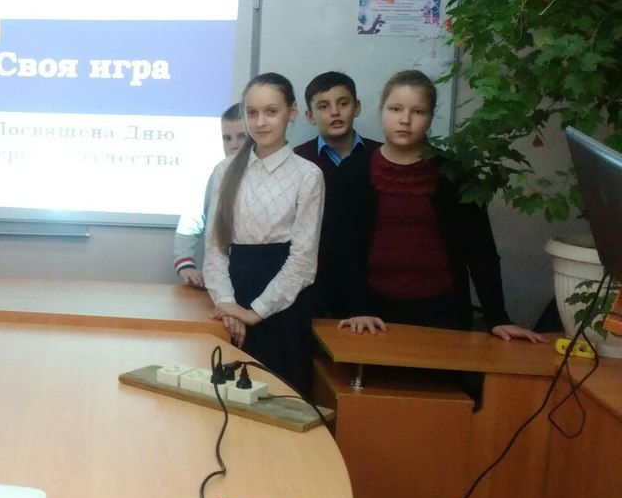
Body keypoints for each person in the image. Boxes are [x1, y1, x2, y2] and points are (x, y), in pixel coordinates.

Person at [337, 70, 545, 343]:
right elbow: (343, 248)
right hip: (372, 314)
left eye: (418, 112)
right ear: (381, 111)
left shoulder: (454, 173)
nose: (405, 120)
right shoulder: (353, 171)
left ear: (431, 116)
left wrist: (497, 317)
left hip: (443, 313)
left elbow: (480, 249)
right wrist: (356, 308)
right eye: (395, 109)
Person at [203, 73, 324, 396]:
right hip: (233, 290)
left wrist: (253, 312)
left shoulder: (308, 175)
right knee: (227, 396)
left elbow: (303, 260)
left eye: (271, 112)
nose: (260, 122)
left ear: (292, 112)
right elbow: (215, 248)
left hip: (283, 303)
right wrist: (229, 306)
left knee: (280, 398)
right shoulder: (225, 171)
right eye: (252, 113)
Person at [294, 71, 381, 317]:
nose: (335, 112)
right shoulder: (298, 160)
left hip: (371, 280)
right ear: (310, 116)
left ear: (357, 107)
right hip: (315, 281)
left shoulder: (380, 157)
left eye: (343, 103)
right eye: (323, 106)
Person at [173, 103, 245, 287]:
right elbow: (190, 221)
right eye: (227, 138)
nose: (234, 145)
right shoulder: (216, 175)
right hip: (218, 280)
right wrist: (185, 263)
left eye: (242, 137)